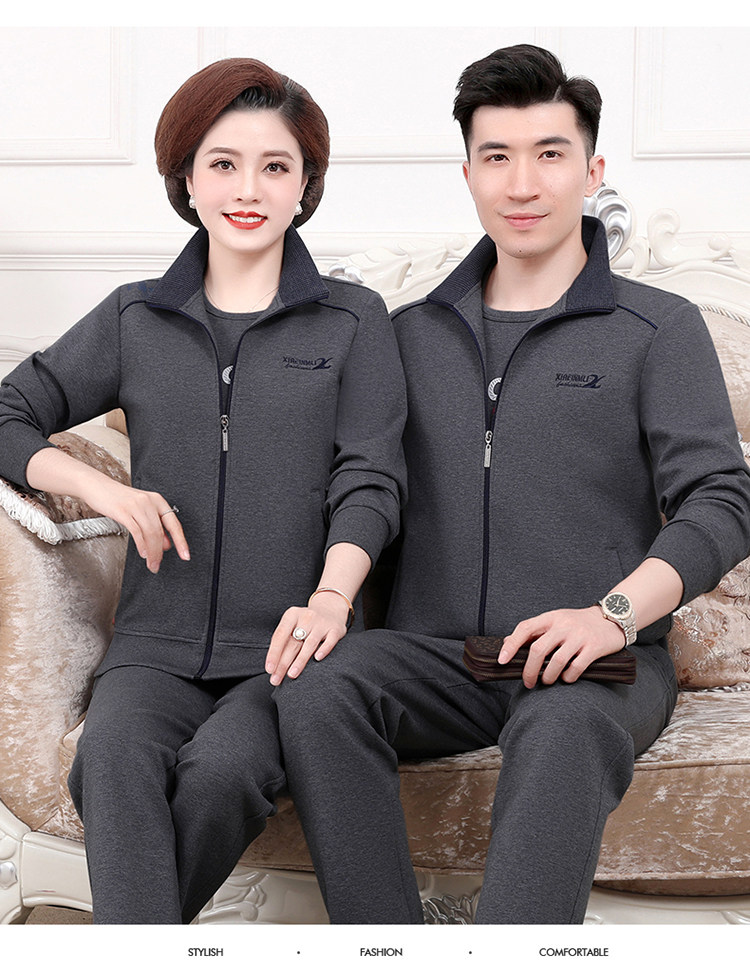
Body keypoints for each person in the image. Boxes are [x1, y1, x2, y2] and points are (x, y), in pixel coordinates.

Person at [274, 44, 750, 924]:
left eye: (550, 153)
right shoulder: (406, 334)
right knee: (316, 689)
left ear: (592, 171)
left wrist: (610, 616)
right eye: (497, 157)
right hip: (435, 657)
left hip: (599, 660)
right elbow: (352, 477)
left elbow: (721, 500)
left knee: (564, 730)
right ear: (468, 175)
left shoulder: (658, 328)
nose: (522, 184)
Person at [0, 58, 406, 924]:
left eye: (275, 165)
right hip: (154, 644)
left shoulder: (353, 319)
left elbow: (371, 478)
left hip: (292, 649)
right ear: (186, 176)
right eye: (223, 163)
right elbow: (7, 414)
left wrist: (332, 599)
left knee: (224, 772)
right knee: (109, 760)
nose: (248, 189)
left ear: (306, 184)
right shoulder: (134, 318)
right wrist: (101, 489)